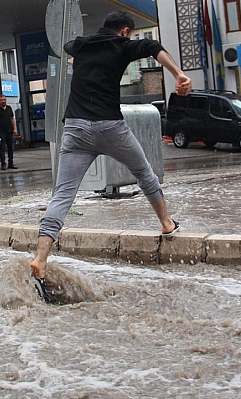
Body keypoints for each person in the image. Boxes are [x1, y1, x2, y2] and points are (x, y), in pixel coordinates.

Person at [29, 10, 192, 284]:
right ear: (125, 31)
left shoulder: (81, 45)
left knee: (62, 195)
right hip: (110, 127)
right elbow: (154, 48)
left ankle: (40, 258)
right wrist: (178, 73)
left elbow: (68, 47)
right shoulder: (122, 45)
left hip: (76, 129)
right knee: (144, 173)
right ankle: (166, 224)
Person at [0, 95, 18, 170]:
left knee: (10, 147)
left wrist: (14, 129)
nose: (3, 101)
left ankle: (11, 163)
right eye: (2, 100)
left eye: (4, 100)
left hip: (9, 130)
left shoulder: (9, 108)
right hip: (0, 131)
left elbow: (12, 119)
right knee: (2, 148)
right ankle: (3, 163)